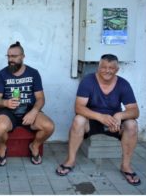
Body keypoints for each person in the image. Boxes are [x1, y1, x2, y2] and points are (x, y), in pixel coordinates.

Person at [56, 54, 140, 186]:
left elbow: (135, 111)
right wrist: (101, 117)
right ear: (98, 68)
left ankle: (126, 166)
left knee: (132, 124)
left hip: (114, 124)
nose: (107, 70)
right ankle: (70, 160)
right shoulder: (88, 81)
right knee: (78, 120)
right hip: (93, 122)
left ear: (117, 69)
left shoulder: (123, 84)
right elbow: (78, 107)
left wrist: (119, 116)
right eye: (104, 67)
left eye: (111, 68)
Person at [0, 41, 55, 167]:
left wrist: (34, 111)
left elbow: (40, 98)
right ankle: (2, 147)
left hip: (29, 110)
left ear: (23, 56)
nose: (10, 59)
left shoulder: (33, 73)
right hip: (9, 111)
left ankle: (34, 146)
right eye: (8, 56)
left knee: (49, 126)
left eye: (14, 56)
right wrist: (5, 102)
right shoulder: (2, 74)